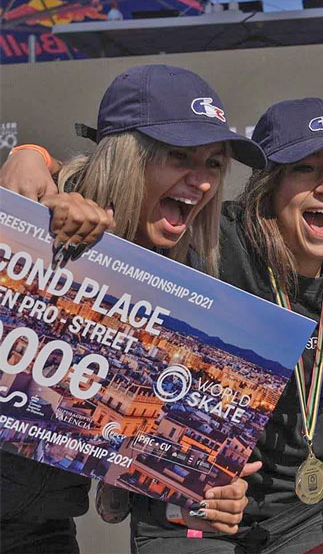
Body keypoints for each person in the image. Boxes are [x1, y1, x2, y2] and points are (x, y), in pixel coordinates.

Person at [1, 97, 323, 553]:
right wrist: (32, 155)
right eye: (304, 169)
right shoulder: (216, 245)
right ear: (268, 186)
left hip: (302, 517)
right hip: (187, 519)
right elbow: (117, 190)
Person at [0, 63, 266, 553]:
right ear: (127, 156)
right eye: (179, 156)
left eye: (213, 163)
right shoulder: (40, 208)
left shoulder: (170, 272)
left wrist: (201, 494)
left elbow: (115, 488)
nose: (203, 181)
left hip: (43, 530)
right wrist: (28, 203)